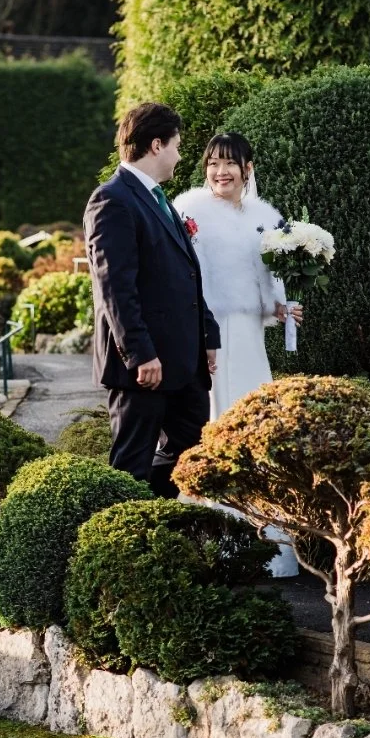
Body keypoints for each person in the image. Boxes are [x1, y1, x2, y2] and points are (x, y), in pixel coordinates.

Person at [173, 132, 302, 576]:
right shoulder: (188, 211)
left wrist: (282, 308)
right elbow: (179, 279)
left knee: (257, 425)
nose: (219, 172)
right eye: (212, 163)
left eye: (229, 163)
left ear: (248, 168)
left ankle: (264, 544)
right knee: (217, 422)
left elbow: (265, 286)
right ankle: (213, 539)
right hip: (208, 335)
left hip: (249, 337)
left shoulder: (265, 218)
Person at [84, 102, 221, 497]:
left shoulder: (159, 199)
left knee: (191, 457)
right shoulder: (112, 200)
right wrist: (140, 353)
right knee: (130, 468)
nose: (180, 156)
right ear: (156, 145)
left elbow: (186, 275)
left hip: (183, 363)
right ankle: (124, 547)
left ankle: (161, 529)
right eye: (177, 146)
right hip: (144, 367)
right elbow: (115, 287)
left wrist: (207, 336)